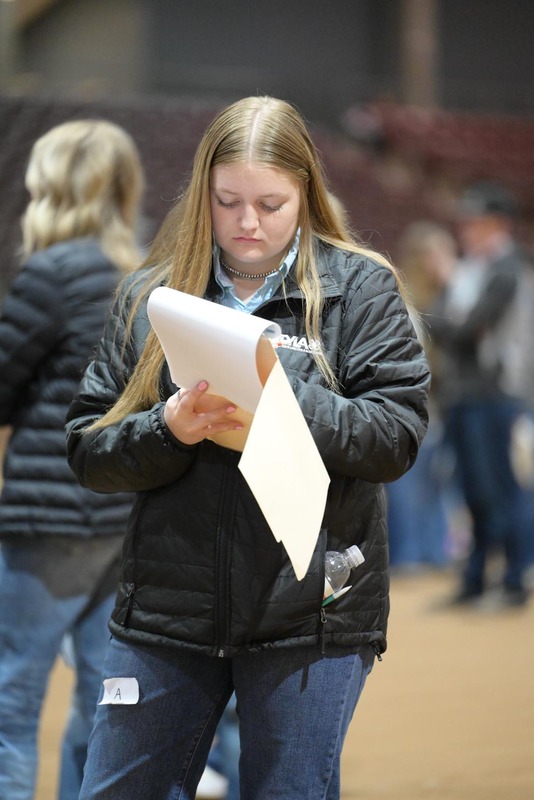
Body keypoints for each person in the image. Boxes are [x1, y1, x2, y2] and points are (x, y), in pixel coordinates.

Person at [65, 95, 430, 800]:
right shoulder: (150, 293)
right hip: (166, 611)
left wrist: (279, 390)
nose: (247, 223)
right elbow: (89, 447)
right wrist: (168, 429)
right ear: (202, 191)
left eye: (270, 203)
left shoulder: (361, 288)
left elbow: (395, 438)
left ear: (307, 194)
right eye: (227, 201)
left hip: (311, 613)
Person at [0, 119, 144, 800]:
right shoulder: (146, 274)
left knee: (12, 696)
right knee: (104, 697)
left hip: (51, 515)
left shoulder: (53, 272)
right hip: (124, 509)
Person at [429, 181, 534, 608]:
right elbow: (443, 324)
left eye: (477, 222)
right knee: (473, 491)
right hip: (465, 395)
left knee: (502, 489)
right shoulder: (471, 269)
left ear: (499, 224)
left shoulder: (507, 268)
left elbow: (465, 330)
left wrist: (450, 324)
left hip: (497, 395)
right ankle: (474, 580)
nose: (467, 229)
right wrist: (454, 326)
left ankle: (514, 579)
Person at [386, 221, 457, 571]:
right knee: (407, 484)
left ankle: (435, 552)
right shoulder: (404, 300)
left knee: (436, 484)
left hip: (443, 405)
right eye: (436, 254)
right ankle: (409, 555)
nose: (445, 261)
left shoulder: (451, 296)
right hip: (412, 406)